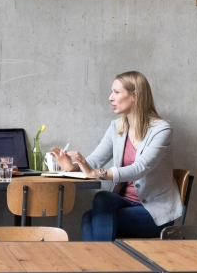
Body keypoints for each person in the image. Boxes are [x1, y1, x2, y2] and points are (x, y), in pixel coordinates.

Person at [50, 71, 181, 241]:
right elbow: (95, 161)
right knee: (102, 198)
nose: (110, 98)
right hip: (125, 203)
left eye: (116, 92)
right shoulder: (116, 128)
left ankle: (102, 264)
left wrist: (98, 173)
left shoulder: (162, 130)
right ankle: (105, 263)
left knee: (89, 219)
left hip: (154, 212)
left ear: (135, 95)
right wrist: (72, 166)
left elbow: (139, 169)